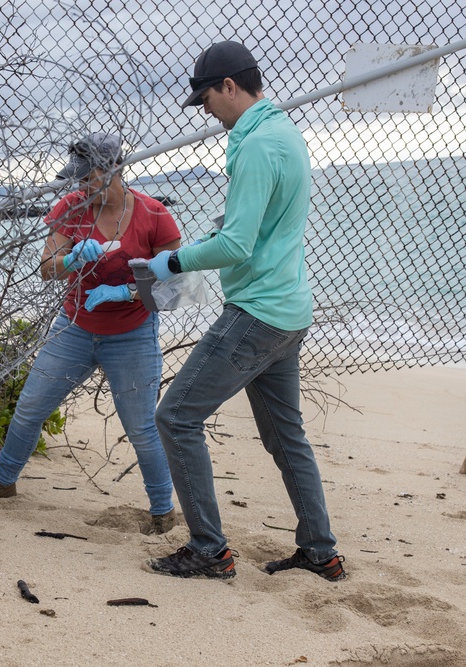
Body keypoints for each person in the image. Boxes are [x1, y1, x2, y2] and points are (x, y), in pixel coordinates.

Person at [144, 41, 345, 580]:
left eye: (206, 97)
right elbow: (258, 229)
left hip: (256, 313)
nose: (205, 108)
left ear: (230, 86)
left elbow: (236, 247)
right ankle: (320, 552)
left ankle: (209, 549)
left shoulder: (256, 145)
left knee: (175, 417)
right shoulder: (283, 133)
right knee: (286, 437)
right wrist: (211, 239)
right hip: (289, 310)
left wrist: (174, 261)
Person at [0, 133, 181, 535]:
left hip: (132, 332)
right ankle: (3, 482)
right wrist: (70, 257)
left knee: (140, 426)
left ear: (112, 171)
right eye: (78, 179)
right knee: (31, 405)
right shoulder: (70, 208)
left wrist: (126, 290)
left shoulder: (155, 216)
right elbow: (47, 267)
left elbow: (176, 286)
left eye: (88, 178)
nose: (80, 186)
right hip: (76, 325)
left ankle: (162, 510)